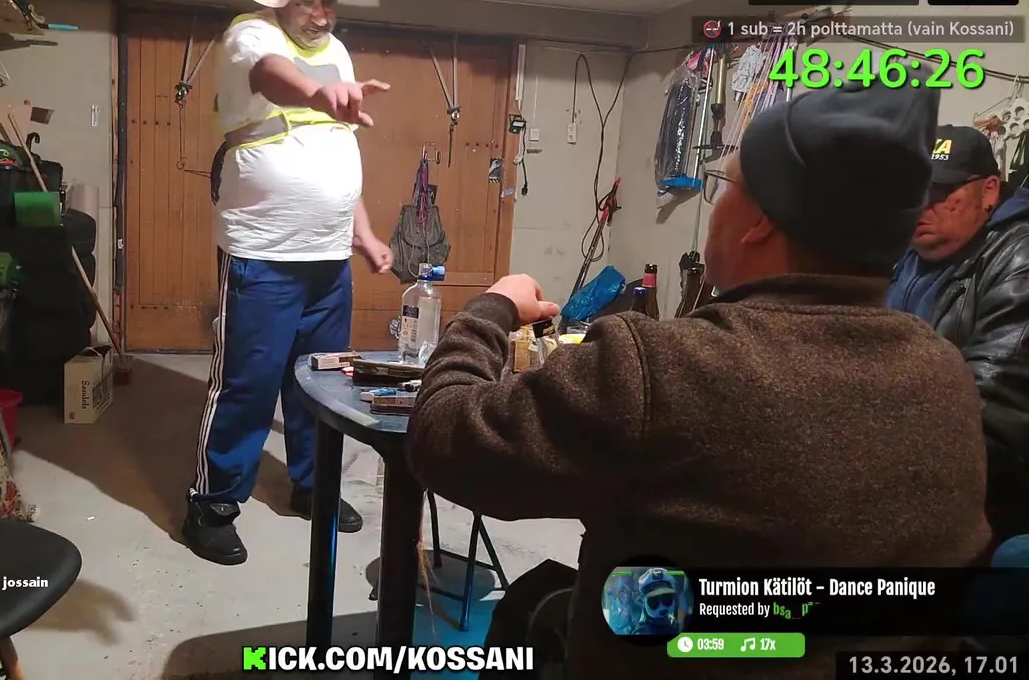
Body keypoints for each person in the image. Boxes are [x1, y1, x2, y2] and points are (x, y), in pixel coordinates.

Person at [405, 80, 992, 678]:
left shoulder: (662, 367)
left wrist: (493, 307)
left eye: (725, 185)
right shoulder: (944, 373)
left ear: (760, 220)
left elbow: (444, 437)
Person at [184, 0, 395, 565]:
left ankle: (312, 485)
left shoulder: (339, 53)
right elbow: (272, 77)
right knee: (246, 386)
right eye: (308, 2)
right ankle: (212, 505)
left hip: (328, 256)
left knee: (323, 382)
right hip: (263, 254)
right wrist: (317, 92)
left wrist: (364, 233)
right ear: (281, 1)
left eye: (329, 2)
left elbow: (337, 146)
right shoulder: (252, 34)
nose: (321, 15)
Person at [887, 126, 1029, 544]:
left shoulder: (1019, 258)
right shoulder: (898, 255)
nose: (921, 206)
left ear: (989, 191)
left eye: (939, 191)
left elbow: (994, 409)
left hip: (985, 501)